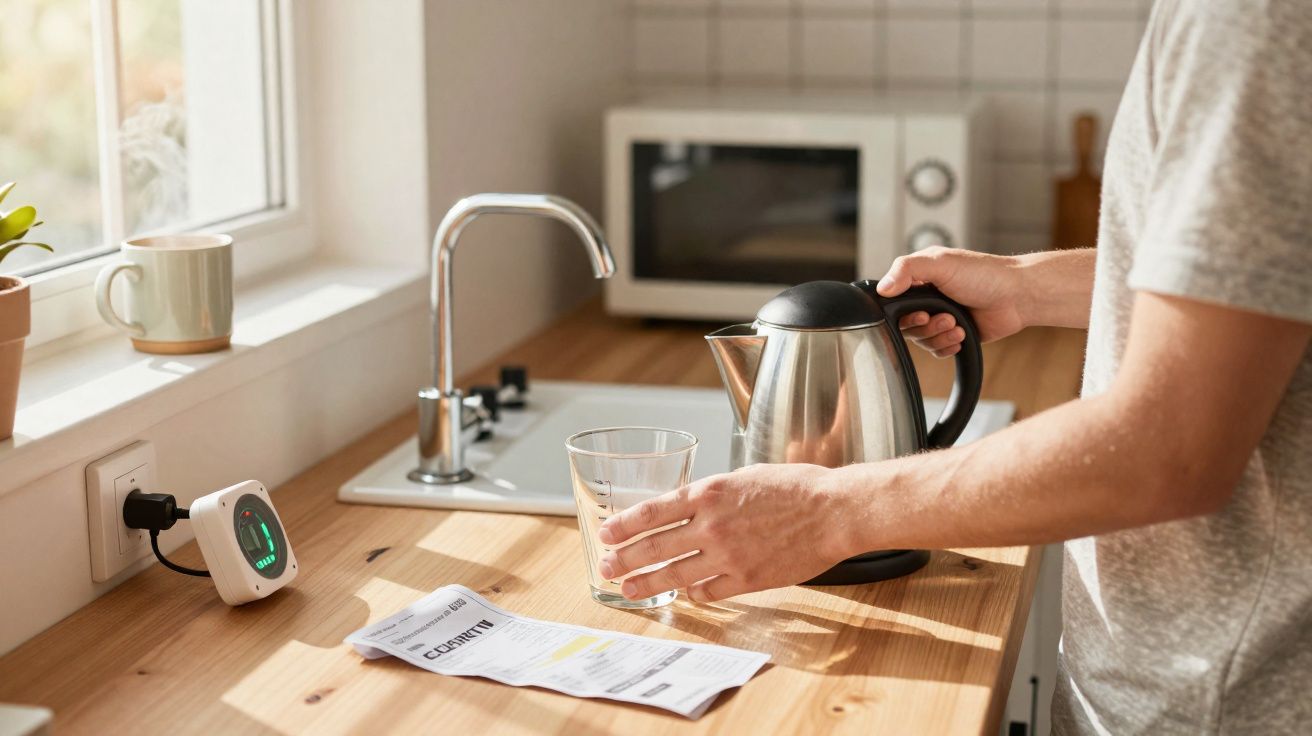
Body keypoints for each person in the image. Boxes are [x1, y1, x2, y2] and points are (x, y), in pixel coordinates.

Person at [594, 1, 1311, 733]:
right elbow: (1252, 282)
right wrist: (1029, 285)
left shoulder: (1255, 18)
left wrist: (828, 510)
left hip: (1228, 701)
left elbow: (1170, 449)